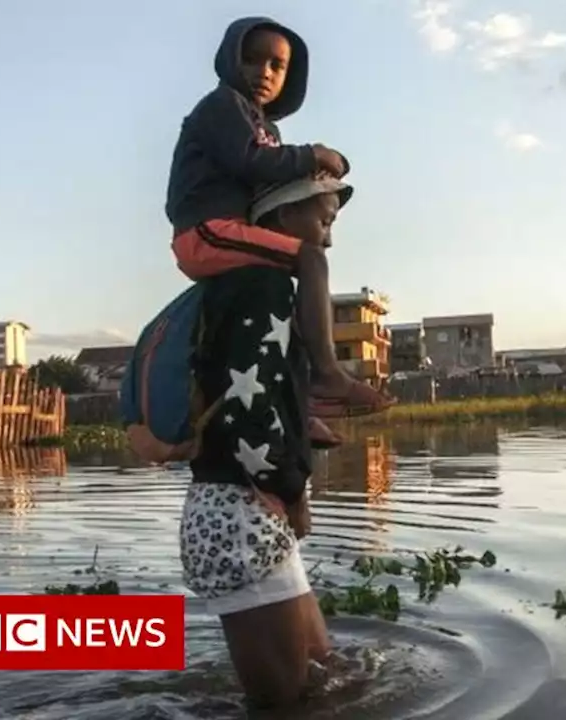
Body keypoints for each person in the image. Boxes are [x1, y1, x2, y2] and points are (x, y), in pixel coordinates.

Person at [179, 175, 358, 712]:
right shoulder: (263, 284)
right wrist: (294, 490)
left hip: (244, 512)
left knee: (325, 676)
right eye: (323, 221)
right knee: (284, 704)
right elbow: (247, 410)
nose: (326, 240)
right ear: (281, 218)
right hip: (243, 514)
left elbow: (250, 391)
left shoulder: (241, 286)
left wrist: (301, 430)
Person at [164, 16, 391, 432]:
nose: (263, 72)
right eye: (251, 60)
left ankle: (297, 405)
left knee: (290, 300)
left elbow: (276, 179)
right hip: (205, 230)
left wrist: (320, 175)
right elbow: (250, 162)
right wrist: (313, 154)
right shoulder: (222, 105)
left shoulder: (265, 126)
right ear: (230, 60)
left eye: (276, 65)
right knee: (311, 260)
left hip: (233, 231)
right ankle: (326, 373)